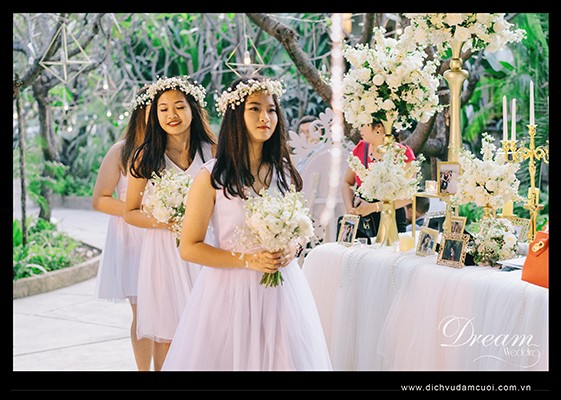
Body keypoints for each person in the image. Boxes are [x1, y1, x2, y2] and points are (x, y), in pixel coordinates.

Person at [162, 75, 332, 371]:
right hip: (230, 295)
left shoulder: (284, 173)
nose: (265, 117)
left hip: (282, 293)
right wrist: (248, 260)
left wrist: (292, 248)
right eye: (255, 109)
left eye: (271, 110)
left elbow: (300, 230)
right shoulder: (212, 176)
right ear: (236, 115)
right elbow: (189, 247)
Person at [124, 76, 217, 371]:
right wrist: (162, 220)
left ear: (193, 109)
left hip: (205, 246)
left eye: (179, 106)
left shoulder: (213, 151)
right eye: (163, 109)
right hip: (163, 253)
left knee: (210, 328)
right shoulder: (145, 157)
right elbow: (130, 211)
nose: (171, 115)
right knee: (168, 334)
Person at [92, 84, 153, 371]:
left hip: (166, 235)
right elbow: (100, 199)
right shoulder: (121, 150)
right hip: (133, 238)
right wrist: (137, 213)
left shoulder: (173, 150)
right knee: (143, 313)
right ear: (140, 112)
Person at [341, 120, 416, 238]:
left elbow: (410, 196)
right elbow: (347, 182)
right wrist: (350, 210)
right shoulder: (361, 148)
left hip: (391, 219)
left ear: (378, 128)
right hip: (362, 221)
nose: (359, 129)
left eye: (363, 124)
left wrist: (374, 207)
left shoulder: (402, 153)